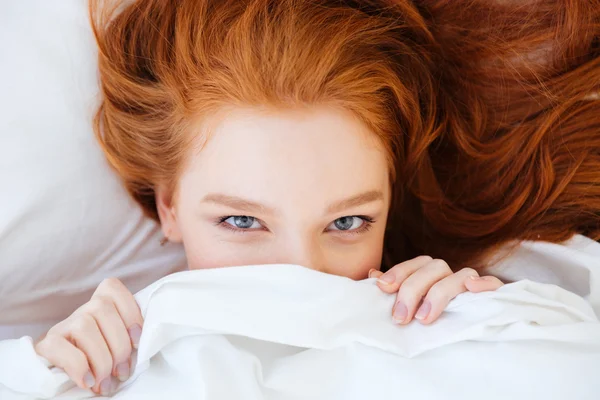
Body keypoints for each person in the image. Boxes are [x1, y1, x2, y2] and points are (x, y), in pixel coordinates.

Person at [33, 0, 600, 396]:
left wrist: (503, 317)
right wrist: (52, 369)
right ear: (169, 207)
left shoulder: (463, 315)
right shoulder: (96, 358)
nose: (306, 275)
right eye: (241, 220)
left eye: (349, 221)